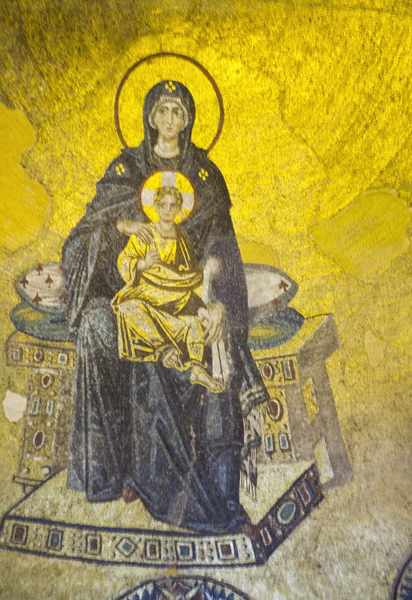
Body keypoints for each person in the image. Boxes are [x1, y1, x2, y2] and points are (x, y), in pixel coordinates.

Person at [62, 80, 269, 534]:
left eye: (179, 112)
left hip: (192, 297)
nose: (171, 120)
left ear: (188, 120)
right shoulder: (126, 169)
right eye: (163, 110)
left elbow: (223, 251)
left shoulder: (206, 178)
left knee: (216, 351)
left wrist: (219, 305)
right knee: (103, 327)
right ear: (150, 117)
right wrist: (123, 228)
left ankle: (219, 498)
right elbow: (84, 239)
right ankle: (117, 473)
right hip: (138, 294)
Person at [112, 185, 224, 394]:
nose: (167, 210)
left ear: (179, 209)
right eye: (163, 205)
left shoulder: (182, 237)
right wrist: (143, 264)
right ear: (156, 206)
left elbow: (189, 273)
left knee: (193, 323)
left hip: (176, 293)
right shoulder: (146, 233)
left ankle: (197, 369)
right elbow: (124, 260)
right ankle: (163, 350)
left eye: (173, 206)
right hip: (148, 292)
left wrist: (204, 300)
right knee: (129, 309)